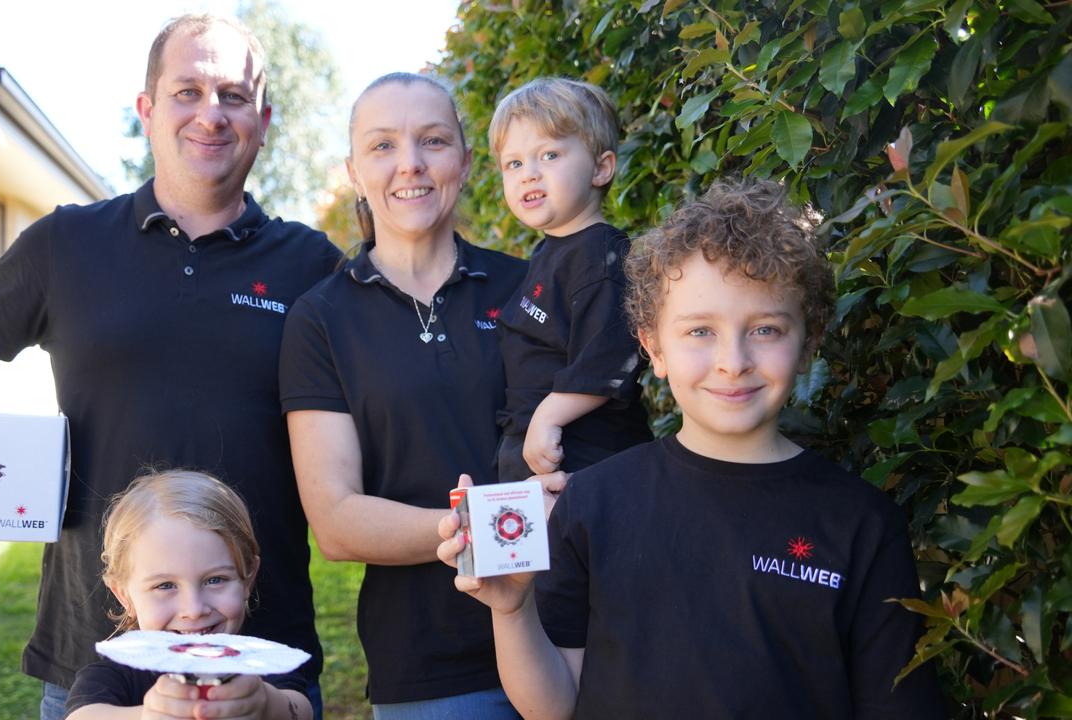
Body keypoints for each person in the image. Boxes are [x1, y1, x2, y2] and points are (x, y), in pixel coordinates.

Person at [0, 14, 338, 720]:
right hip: (92, 660)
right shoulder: (65, 246)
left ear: (263, 116)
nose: (211, 114)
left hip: (262, 656)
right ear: (147, 110)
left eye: (232, 94)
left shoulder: (314, 266)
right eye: (186, 91)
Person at [437, 179, 947, 718]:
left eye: (767, 329)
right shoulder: (592, 502)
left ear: (808, 343)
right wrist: (514, 612)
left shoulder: (861, 523)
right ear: (653, 347)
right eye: (700, 331)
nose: (733, 360)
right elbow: (556, 705)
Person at [278, 73, 527, 718]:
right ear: (355, 170)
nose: (410, 164)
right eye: (383, 145)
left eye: (433, 140)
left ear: (466, 162)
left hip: (570, 638)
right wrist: (483, 532)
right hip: (434, 669)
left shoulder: (527, 289)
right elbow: (334, 519)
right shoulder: (320, 318)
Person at [490, 77, 651, 484]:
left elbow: (611, 357)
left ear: (601, 168)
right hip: (541, 453)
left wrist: (547, 416)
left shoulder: (602, 255)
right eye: (514, 163)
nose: (528, 174)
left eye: (548, 155)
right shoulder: (550, 252)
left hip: (587, 461)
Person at [65, 470, 311, 720]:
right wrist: (146, 716)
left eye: (215, 580)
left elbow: (301, 708)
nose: (193, 609)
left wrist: (265, 705)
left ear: (248, 578)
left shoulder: (260, 662)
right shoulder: (114, 675)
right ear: (123, 595)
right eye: (165, 586)